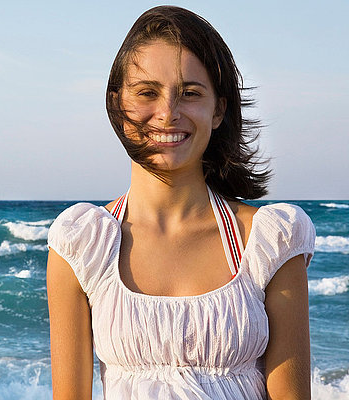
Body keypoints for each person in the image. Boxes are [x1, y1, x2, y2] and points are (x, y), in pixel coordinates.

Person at [46, 5, 315, 400]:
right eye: (147, 93)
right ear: (120, 107)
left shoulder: (268, 241)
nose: (168, 113)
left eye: (190, 93)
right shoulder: (83, 244)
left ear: (218, 109)